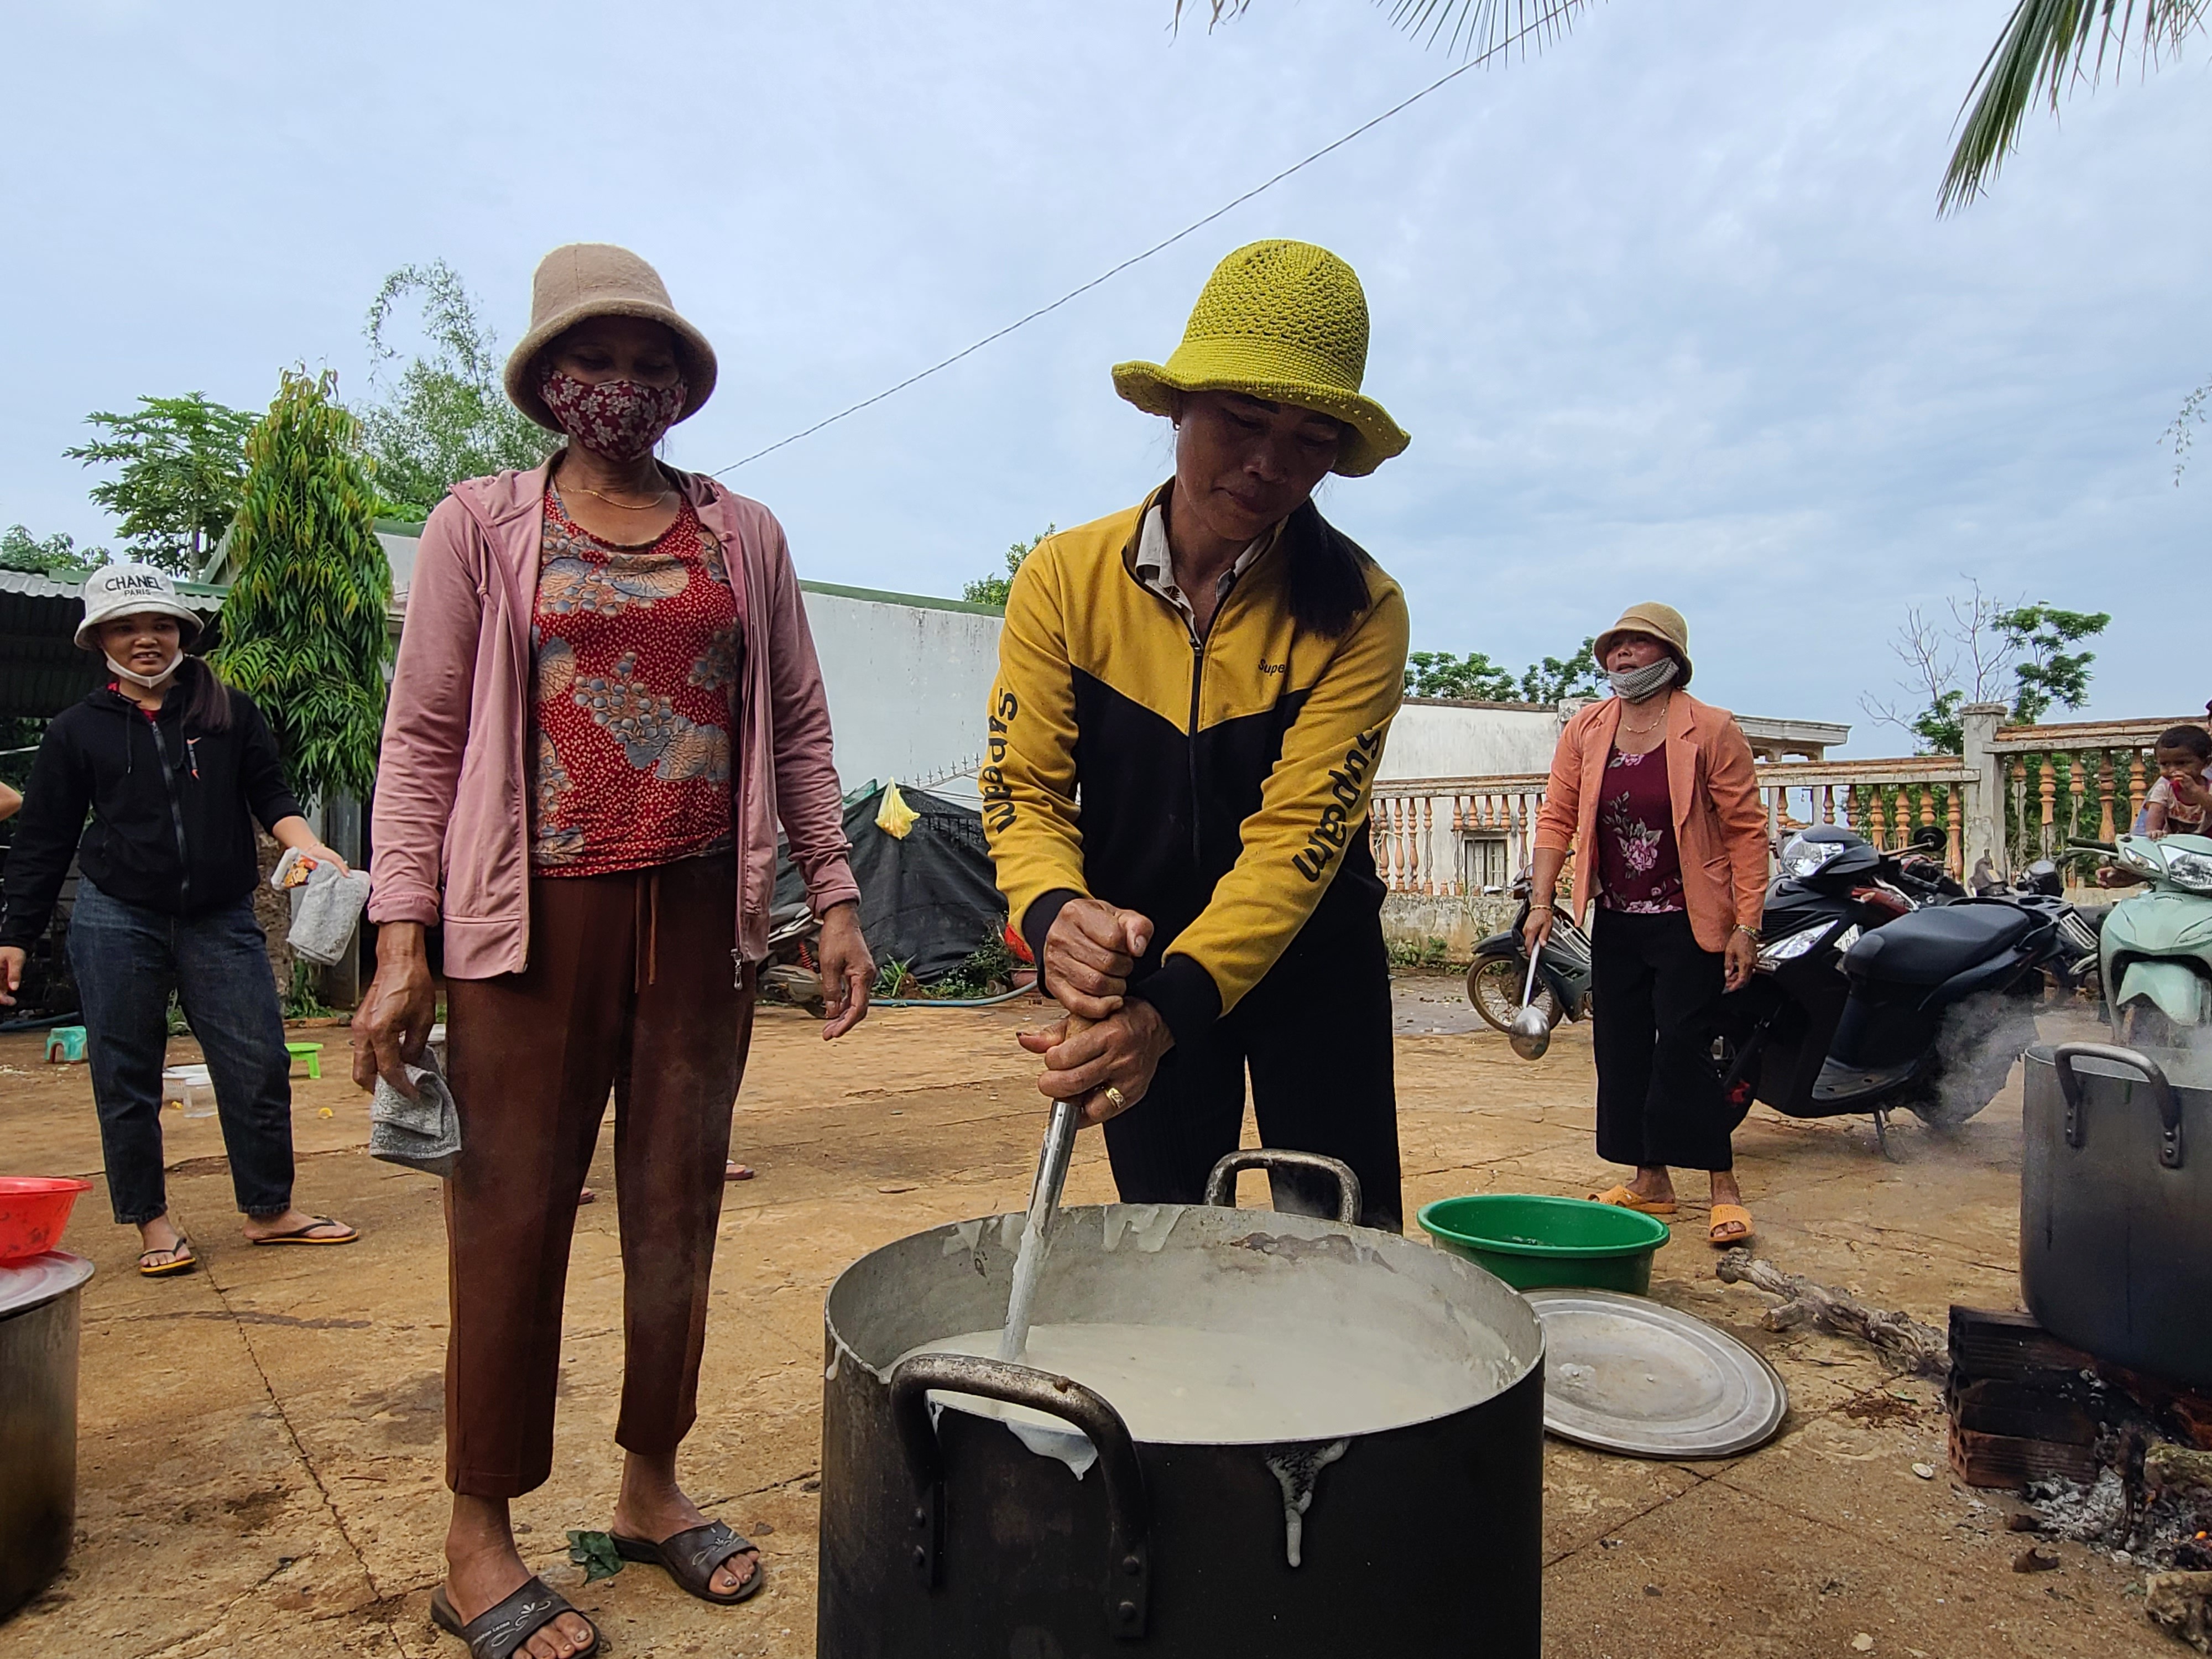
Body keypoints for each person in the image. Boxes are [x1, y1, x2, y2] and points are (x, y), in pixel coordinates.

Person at [351, 243, 873, 1659]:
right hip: (527, 929)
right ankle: (479, 1536)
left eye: (652, 365)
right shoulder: (481, 524)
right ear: (546, 381)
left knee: (675, 1213)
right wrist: (403, 938)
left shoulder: (742, 535)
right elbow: (425, 741)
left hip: (704, 922)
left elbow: (804, 730)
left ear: (683, 387)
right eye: (597, 362)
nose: (623, 389)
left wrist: (830, 893)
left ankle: (650, 1483)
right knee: (508, 1221)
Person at [984, 239, 1412, 1230]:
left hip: (1311, 959)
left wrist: (1166, 1013)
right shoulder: (1062, 579)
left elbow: (1298, 846)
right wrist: (1056, 917)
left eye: (1311, 438)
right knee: (1172, 1240)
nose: (1270, 463)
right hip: (1140, 954)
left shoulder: (1362, 610)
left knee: (1340, 1248)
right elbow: (1024, 791)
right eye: (1243, 419)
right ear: (1179, 408)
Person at [0, 565, 358, 1276]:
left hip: (218, 918)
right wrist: (14, 934)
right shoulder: (78, 732)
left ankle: (269, 1209)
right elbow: (42, 838)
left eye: (160, 625)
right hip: (115, 917)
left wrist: (311, 847)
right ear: (99, 638)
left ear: (181, 635)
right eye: (127, 627)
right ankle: (152, 1223)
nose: (145, 639)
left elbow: (272, 795)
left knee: (258, 1060)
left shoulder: (228, 712)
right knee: (125, 1071)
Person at [1525, 603, 1769, 1246]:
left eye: (1636, 645)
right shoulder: (1587, 728)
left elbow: (1746, 830)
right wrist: (1542, 901)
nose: (1621, 656)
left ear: (1670, 657)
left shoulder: (1710, 730)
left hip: (1691, 920)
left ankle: (1723, 1186)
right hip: (1617, 919)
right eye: (1614, 647)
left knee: (1684, 1048)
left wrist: (1747, 924)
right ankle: (1649, 1180)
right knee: (1623, 1050)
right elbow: (1557, 815)